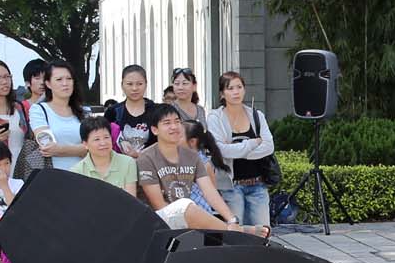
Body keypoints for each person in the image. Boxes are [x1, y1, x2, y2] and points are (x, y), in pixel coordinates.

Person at [135, 104, 266, 235]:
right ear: (155, 130)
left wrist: (232, 220)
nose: (174, 127)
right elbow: (158, 204)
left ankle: (233, 230)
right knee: (185, 205)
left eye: (177, 121)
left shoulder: (192, 156)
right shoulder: (146, 158)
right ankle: (236, 233)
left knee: (189, 206)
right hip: (159, 220)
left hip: (189, 214)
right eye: (167, 123)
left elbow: (209, 191)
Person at [208, 71, 275, 229]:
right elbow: (221, 150)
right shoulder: (215, 118)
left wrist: (237, 150)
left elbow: (268, 146)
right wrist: (252, 144)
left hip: (258, 185)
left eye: (239, 87)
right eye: (230, 88)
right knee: (235, 234)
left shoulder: (257, 115)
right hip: (231, 187)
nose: (236, 92)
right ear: (222, 93)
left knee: (263, 233)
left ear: (244, 90)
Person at [28, 61, 88, 172]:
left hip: (82, 174)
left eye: (69, 79)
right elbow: (47, 146)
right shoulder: (39, 110)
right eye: (59, 79)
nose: (65, 83)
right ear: (48, 84)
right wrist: (80, 149)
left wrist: (59, 149)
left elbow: (93, 147)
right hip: (52, 175)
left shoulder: (84, 112)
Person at [72, 115, 139, 192]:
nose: (103, 143)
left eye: (106, 137)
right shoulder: (76, 172)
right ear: (85, 144)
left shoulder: (128, 163)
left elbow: (130, 197)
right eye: (97, 139)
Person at [107, 64, 157, 155]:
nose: (134, 88)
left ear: (146, 84)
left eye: (139, 84)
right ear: (122, 85)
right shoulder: (113, 112)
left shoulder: (157, 110)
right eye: (129, 84)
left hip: (150, 162)